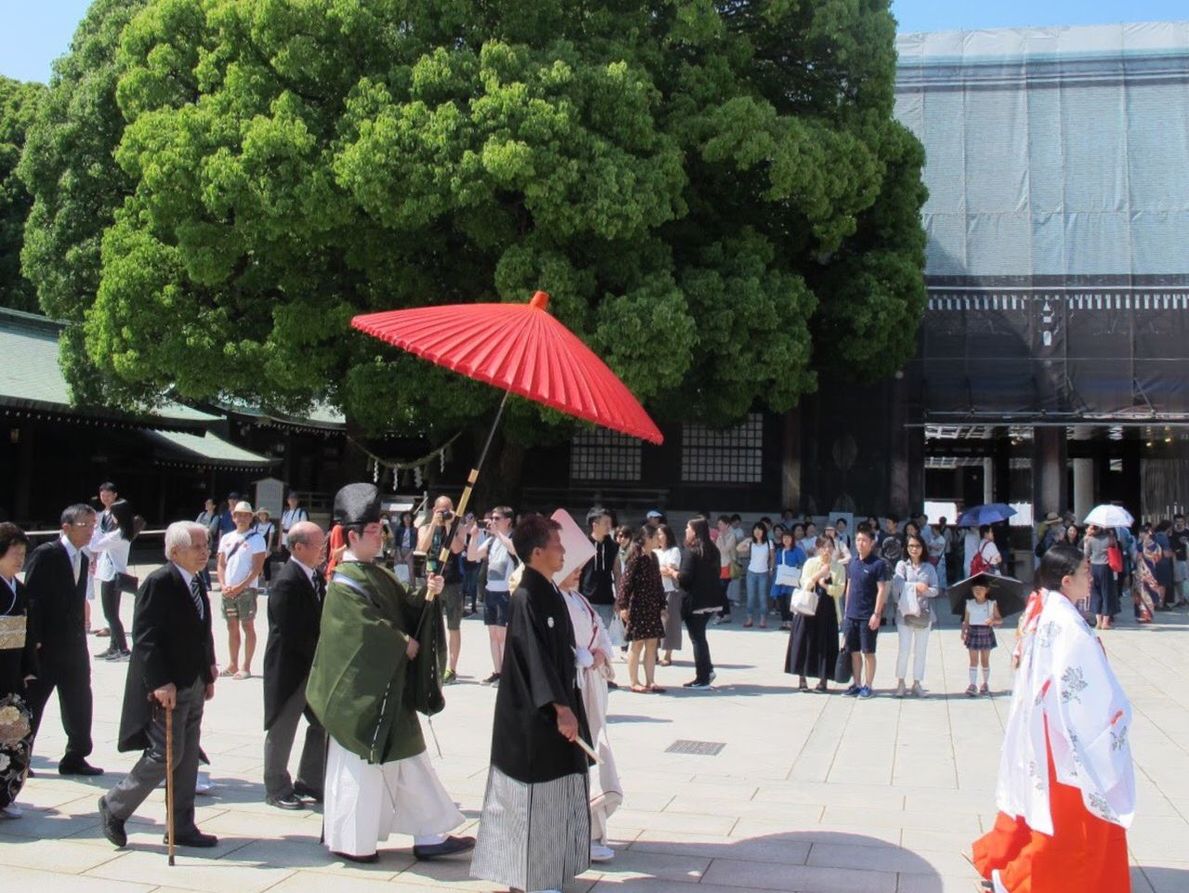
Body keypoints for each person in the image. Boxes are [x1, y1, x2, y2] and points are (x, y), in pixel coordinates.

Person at [307, 483, 473, 864]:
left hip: (387, 689)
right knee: (365, 769)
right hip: (362, 698)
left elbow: (403, 608)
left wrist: (428, 594)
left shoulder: (376, 574)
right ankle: (354, 840)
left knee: (410, 757)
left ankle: (430, 832)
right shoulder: (343, 581)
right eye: (372, 531)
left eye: (380, 528)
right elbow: (360, 629)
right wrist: (400, 642)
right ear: (351, 535)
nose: (380, 536)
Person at [971, 544, 1135, 893]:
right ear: (1066, 580)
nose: (1091, 578)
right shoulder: (1066, 624)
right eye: (1085, 572)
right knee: (1072, 823)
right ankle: (1024, 879)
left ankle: (1013, 872)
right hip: (1066, 736)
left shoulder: (1045, 608)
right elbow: (1085, 685)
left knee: (1052, 815)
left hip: (1047, 727)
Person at [471, 514, 592, 892]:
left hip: (554, 706)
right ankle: (530, 876)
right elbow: (534, 657)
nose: (563, 552)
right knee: (532, 797)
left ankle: (546, 869)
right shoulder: (526, 595)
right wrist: (560, 707)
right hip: (532, 716)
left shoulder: (549, 590)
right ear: (537, 552)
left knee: (554, 794)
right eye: (557, 545)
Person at [98, 521, 219, 850]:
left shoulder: (195, 581)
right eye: (197, 546)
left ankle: (181, 825)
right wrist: (160, 681)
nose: (204, 551)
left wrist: (208, 668)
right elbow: (146, 637)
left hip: (192, 680)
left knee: (188, 754)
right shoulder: (159, 582)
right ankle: (115, 804)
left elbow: (202, 629)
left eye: (206, 545)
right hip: (167, 685)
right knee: (165, 753)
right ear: (175, 550)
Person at [553, 510, 621, 865]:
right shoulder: (549, 602)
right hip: (573, 691)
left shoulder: (578, 599)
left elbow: (602, 634)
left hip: (592, 688)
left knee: (595, 751)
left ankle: (593, 831)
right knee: (582, 757)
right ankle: (584, 832)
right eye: (572, 566)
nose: (578, 572)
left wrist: (598, 654)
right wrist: (583, 656)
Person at [24, 503, 103, 776]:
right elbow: (32, 599)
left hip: (74, 644)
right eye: (86, 525)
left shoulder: (82, 557)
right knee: (33, 703)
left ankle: (76, 755)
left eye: (94, 525)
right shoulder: (47, 554)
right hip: (46, 646)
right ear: (66, 527)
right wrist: (34, 640)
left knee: (80, 701)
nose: (91, 531)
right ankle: (21, 756)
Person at [262, 521, 327, 810]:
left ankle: (311, 779)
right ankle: (276, 787)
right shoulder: (286, 581)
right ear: (298, 548)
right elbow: (289, 632)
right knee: (283, 728)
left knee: (324, 723)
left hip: (313, 667)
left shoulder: (315, 576)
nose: (323, 550)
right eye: (318, 545)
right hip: (291, 668)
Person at [0, 523, 35, 818]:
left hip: (11, 673)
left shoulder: (19, 589)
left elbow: (27, 634)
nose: (20, 558)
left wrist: (28, 669)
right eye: (15, 552)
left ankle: (4, 795)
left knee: (16, 738)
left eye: (24, 553)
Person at [417, 495, 466, 685]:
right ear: (433, 510)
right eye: (441, 510)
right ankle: (431, 663)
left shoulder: (457, 527)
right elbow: (422, 547)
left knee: (454, 626)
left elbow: (456, 549)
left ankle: (451, 667)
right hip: (432, 580)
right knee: (430, 624)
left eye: (448, 509)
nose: (444, 513)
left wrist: (449, 525)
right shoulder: (424, 526)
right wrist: (433, 524)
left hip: (453, 581)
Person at [785, 536, 843, 693]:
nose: (827, 550)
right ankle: (802, 677)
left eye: (830, 546)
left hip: (828, 608)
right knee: (804, 640)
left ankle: (823, 680)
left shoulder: (838, 567)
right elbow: (804, 583)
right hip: (808, 606)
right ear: (818, 548)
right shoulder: (810, 563)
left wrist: (826, 586)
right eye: (824, 546)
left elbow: (840, 590)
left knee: (825, 643)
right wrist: (819, 575)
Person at [216, 501, 267, 680]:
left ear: (251, 518)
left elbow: (257, 568)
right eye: (239, 515)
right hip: (228, 589)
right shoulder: (226, 538)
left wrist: (240, 586)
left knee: (247, 625)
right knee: (231, 626)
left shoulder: (257, 539)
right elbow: (221, 564)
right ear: (233, 516)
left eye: (246, 515)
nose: (242, 518)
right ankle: (232, 663)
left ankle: (246, 666)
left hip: (246, 589)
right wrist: (223, 585)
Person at [467, 506, 517, 686]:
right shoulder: (490, 541)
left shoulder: (512, 537)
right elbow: (472, 556)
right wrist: (473, 536)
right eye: (492, 518)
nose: (493, 521)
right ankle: (497, 671)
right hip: (491, 591)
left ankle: (506, 672)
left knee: (503, 635)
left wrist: (499, 534)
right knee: (493, 634)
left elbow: (514, 550)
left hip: (506, 592)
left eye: (497, 518)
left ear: (507, 520)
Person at [841, 524, 889, 700]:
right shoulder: (853, 562)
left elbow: (882, 590)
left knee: (868, 651)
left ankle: (868, 685)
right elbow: (850, 586)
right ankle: (857, 683)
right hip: (852, 614)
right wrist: (845, 612)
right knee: (853, 651)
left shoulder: (878, 564)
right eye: (858, 540)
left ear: (872, 543)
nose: (860, 543)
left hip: (868, 615)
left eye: (864, 540)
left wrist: (877, 614)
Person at [617, 526, 666, 694]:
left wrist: (662, 604)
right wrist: (623, 605)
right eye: (656, 536)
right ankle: (634, 681)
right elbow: (625, 583)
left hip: (652, 605)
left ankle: (650, 680)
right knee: (636, 644)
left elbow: (658, 583)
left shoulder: (654, 557)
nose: (659, 539)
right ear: (647, 538)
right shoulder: (635, 557)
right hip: (637, 605)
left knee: (652, 643)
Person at [892, 533, 940, 698]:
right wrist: (915, 586)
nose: (914, 549)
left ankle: (917, 682)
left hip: (923, 612)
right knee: (904, 649)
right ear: (907, 547)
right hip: (904, 613)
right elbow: (897, 584)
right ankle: (900, 682)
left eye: (917, 546)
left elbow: (935, 589)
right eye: (911, 546)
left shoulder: (929, 568)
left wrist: (925, 590)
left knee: (920, 650)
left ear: (922, 548)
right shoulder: (901, 565)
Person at [678, 516, 722, 689]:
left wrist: (673, 573)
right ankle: (708, 669)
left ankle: (702, 677)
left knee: (697, 638)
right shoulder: (713, 550)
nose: (686, 531)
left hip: (695, 601)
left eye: (688, 528)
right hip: (711, 599)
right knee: (700, 636)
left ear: (695, 531)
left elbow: (685, 578)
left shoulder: (691, 552)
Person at [91, 499, 136, 661]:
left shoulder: (119, 534)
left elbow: (94, 546)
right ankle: (113, 647)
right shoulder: (122, 531)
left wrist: (95, 529)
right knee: (112, 613)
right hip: (114, 576)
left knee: (111, 615)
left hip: (112, 577)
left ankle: (123, 649)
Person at [579, 507, 619, 635]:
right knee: (586, 637)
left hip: (607, 600)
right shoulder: (583, 544)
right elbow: (577, 571)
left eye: (610, 522)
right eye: (605, 523)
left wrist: (619, 598)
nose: (609, 526)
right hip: (586, 599)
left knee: (603, 640)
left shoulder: (613, 546)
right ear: (594, 525)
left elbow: (617, 573)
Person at [962, 576, 1002, 696]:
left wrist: (993, 620)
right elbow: (966, 620)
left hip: (986, 632)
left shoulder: (991, 604)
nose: (978, 591)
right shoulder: (969, 603)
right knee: (973, 660)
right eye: (975, 589)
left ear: (987, 590)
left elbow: (1000, 619)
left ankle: (985, 683)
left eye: (981, 588)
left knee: (985, 660)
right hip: (973, 632)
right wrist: (963, 631)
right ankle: (972, 684)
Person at [654, 524, 683, 666]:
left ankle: (668, 653)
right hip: (654, 590)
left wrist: (657, 568)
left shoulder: (674, 551)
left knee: (669, 622)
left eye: (660, 534)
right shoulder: (654, 552)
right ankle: (653, 652)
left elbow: (670, 570)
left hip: (670, 589)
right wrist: (661, 569)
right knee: (653, 621)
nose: (658, 537)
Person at [738, 522, 774, 628]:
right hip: (751, 572)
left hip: (763, 572)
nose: (757, 532)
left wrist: (771, 568)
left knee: (763, 597)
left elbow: (772, 557)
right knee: (751, 597)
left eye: (760, 529)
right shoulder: (751, 543)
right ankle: (749, 619)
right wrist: (746, 540)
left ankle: (763, 620)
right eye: (755, 529)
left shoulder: (769, 542)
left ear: (764, 531)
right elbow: (738, 548)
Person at [1082, 524, 1117, 630]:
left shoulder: (1090, 540)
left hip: (1094, 567)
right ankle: (1106, 622)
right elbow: (1116, 549)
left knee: (1096, 593)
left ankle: (1098, 622)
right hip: (1106, 567)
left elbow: (1086, 554)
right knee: (1107, 593)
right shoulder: (1110, 538)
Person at [771, 529, 807, 631]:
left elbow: (803, 563)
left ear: (792, 539)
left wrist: (797, 570)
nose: (786, 540)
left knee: (791, 601)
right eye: (784, 537)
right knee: (781, 601)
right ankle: (784, 621)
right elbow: (776, 564)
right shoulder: (779, 551)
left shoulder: (797, 550)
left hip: (792, 580)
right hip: (781, 579)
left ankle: (791, 622)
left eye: (788, 537)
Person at [713, 515, 737, 624]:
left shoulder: (731, 536)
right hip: (719, 566)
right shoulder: (719, 536)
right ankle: (726, 614)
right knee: (721, 593)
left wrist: (721, 537)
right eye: (718, 524)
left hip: (727, 566)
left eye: (721, 524)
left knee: (720, 592)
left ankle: (719, 615)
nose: (719, 526)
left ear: (727, 525)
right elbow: (717, 550)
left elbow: (724, 550)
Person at [279, 492, 309, 562]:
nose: (292, 501)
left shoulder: (301, 513)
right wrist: (279, 542)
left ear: (297, 501)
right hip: (284, 540)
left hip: (295, 540)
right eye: (290, 499)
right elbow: (281, 527)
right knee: (285, 560)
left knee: (294, 560)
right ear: (288, 501)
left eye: (294, 499)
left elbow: (304, 528)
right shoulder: (285, 513)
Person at [254, 508, 278, 592]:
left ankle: (266, 587)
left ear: (267, 516)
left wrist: (268, 550)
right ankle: (256, 586)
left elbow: (270, 539)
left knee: (266, 567)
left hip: (265, 549)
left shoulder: (271, 526)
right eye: (260, 514)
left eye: (264, 514)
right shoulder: (256, 526)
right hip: (257, 549)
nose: (262, 516)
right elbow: (253, 538)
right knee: (257, 567)